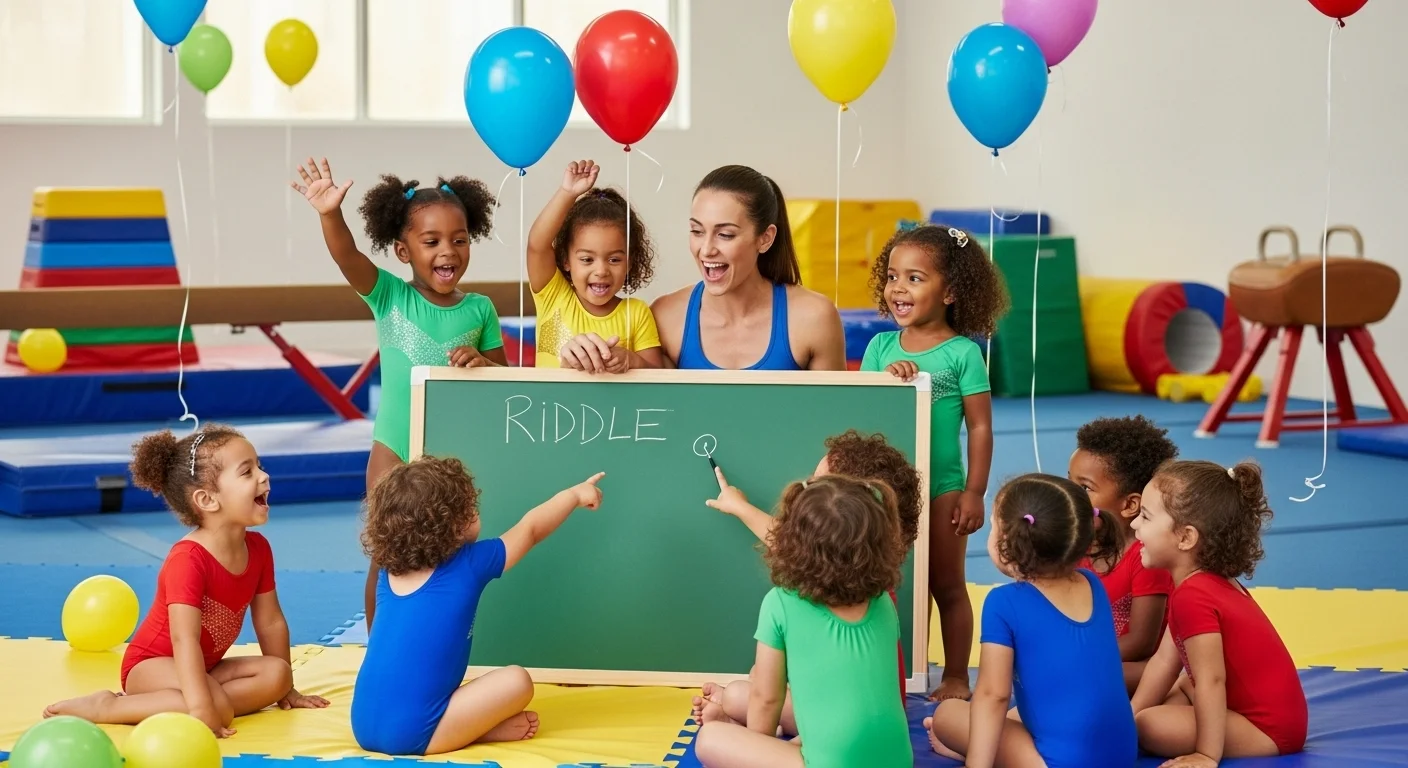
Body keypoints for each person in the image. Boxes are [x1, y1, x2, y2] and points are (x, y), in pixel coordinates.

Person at [290, 158, 506, 633]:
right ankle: (379, 645)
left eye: (459, 239)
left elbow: (503, 379)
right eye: (430, 241)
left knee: (453, 556)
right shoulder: (389, 296)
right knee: (389, 555)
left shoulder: (481, 308)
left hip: (454, 456)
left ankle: (443, 642)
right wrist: (330, 214)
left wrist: (481, 363)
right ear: (402, 251)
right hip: (395, 449)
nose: (447, 250)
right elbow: (348, 257)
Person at [44, 426, 329, 736]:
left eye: (260, 466)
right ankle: (107, 706)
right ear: (207, 499)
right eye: (247, 472)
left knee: (278, 674)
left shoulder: (258, 548)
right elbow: (184, 640)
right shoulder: (188, 559)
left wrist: (286, 690)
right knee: (213, 707)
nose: (264, 477)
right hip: (151, 665)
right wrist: (200, 705)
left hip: (203, 667)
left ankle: (192, 701)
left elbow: (270, 621)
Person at [350, 456, 605, 756]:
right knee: (517, 681)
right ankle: (474, 733)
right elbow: (531, 529)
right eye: (471, 508)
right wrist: (573, 495)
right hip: (416, 734)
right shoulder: (470, 563)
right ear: (455, 525)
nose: (476, 512)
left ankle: (465, 729)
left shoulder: (387, 572)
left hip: (362, 724)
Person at [691, 429, 924, 734]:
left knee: (739, 694)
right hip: (881, 722)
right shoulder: (877, 589)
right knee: (757, 678)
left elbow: (788, 544)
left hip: (838, 725)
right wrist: (740, 507)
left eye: (817, 485)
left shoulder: (789, 601)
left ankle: (742, 722)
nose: (807, 492)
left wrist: (755, 743)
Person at [862, 222, 1008, 700]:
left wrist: (974, 492)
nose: (898, 288)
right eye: (892, 276)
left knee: (947, 584)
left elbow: (980, 427)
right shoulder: (880, 348)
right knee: (893, 586)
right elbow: (864, 409)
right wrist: (889, 378)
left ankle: (953, 677)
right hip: (888, 491)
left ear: (950, 291)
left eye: (915, 278)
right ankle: (898, 671)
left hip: (944, 486)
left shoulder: (963, 353)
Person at [925, 474, 1137, 768]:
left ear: (1006, 543)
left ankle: (966, 749)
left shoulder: (1004, 602)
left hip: (1057, 762)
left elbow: (993, 695)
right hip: (1122, 754)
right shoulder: (1092, 583)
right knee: (1020, 711)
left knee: (948, 714)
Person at [1131, 460, 1307, 765]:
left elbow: (1212, 680)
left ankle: (1200, 741)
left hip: (1268, 730)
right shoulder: (1197, 582)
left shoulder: (1194, 595)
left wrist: (1205, 754)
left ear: (1186, 538)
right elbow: (1164, 661)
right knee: (1165, 698)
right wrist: (1128, 715)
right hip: (1252, 711)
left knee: (1148, 725)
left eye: (1145, 516)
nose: (1134, 524)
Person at [650, 164, 846, 371]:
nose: (706, 249)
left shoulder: (815, 318)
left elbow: (836, 404)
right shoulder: (665, 317)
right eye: (697, 231)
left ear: (765, 238)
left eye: (725, 234)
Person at [1069, 415, 1179, 692]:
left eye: (1084, 488)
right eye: (1067, 481)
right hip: (1099, 655)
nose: (1068, 494)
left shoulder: (1146, 558)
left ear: (1130, 504)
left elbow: (1141, 642)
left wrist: (1079, 657)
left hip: (1142, 665)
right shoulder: (1074, 546)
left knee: (1078, 677)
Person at [525, 159, 664, 372]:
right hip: (548, 406)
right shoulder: (553, 295)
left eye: (614, 259)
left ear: (629, 263)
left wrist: (631, 360)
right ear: (565, 260)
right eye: (587, 259)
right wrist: (567, 193)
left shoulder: (636, 312)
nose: (601, 271)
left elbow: (660, 376)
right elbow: (537, 245)